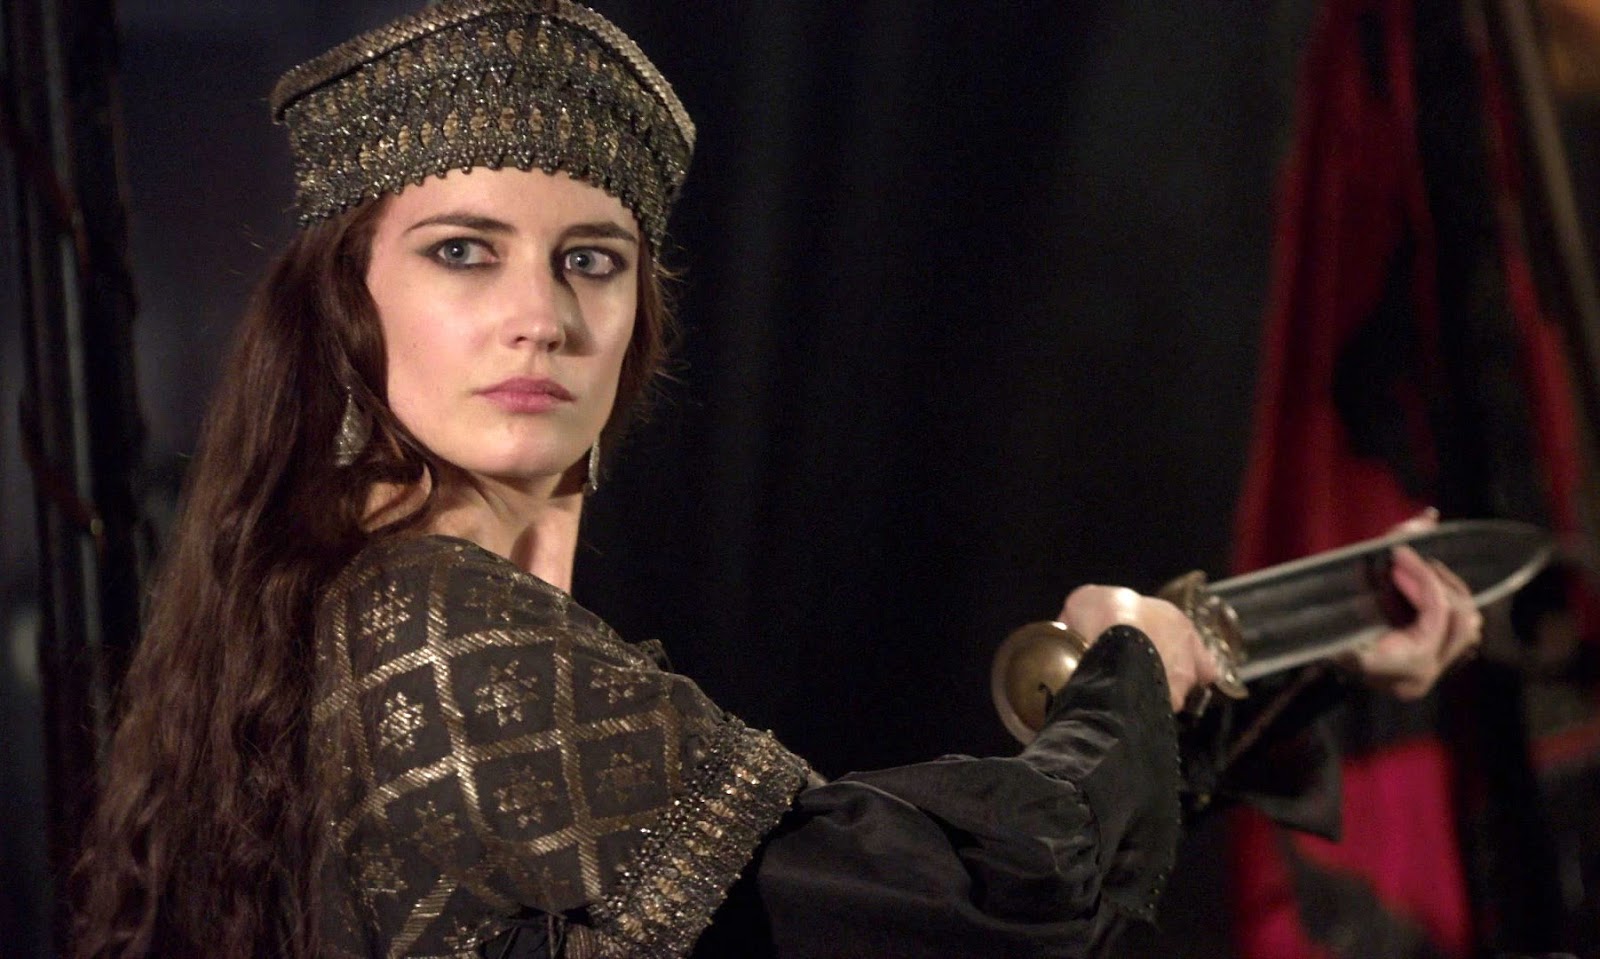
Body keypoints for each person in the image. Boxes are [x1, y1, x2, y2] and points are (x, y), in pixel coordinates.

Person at [69, 2, 1484, 957]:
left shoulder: (362, 617)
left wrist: (1282, 655)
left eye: (590, 259)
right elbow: (980, 902)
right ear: (345, 306)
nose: (540, 315)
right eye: (462, 252)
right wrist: (1129, 665)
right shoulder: (430, 631)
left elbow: (818, 883)